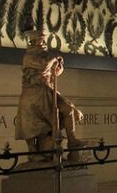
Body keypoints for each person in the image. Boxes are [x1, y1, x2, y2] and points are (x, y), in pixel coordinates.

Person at [15, 27, 85, 163]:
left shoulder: (45, 55)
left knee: (68, 108)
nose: (43, 43)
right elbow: (43, 66)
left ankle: (72, 141)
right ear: (33, 42)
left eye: (43, 40)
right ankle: (33, 152)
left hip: (48, 91)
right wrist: (53, 58)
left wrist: (59, 67)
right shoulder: (28, 57)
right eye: (40, 40)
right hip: (33, 95)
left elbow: (53, 73)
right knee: (32, 126)